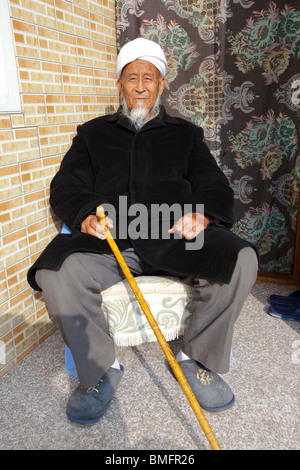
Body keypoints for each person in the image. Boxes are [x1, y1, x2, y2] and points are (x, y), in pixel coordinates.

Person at [27, 38, 258, 426]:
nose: (139, 86)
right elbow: (65, 185)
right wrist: (85, 213)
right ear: (120, 84)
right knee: (56, 271)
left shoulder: (186, 135)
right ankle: (99, 370)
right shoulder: (92, 134)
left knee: (240, 260)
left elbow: (214, 185)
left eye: (147, 78)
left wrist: (201, 215)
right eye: (130, 77)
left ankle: (194, 358)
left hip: (175, 236)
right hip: (110, 241)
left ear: (161, 84)